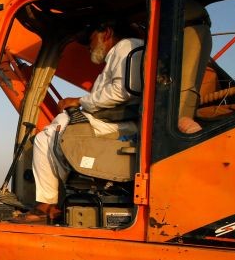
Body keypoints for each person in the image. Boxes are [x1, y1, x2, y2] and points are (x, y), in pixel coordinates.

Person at [13, 18, 143, 224]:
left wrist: (79, 101)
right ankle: (50, 201)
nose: (88, 47)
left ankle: (47, 204)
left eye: (90, 40)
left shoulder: (127, 47)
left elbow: (122, 91)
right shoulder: (121, 54)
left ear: (106, 33)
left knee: (49, 134)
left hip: (118, 122)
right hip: (111, 119)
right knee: (51, 133)